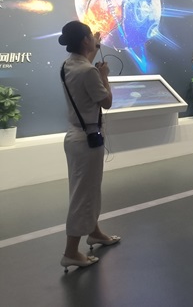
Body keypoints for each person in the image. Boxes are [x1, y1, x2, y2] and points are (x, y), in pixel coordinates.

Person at [58, 20, 120, 272]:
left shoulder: (68, 65)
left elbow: (85, 63)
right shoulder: (89, 72)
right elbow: (107, 102)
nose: (94, 40)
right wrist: (104, 76)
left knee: (88, 191)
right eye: (90, 37)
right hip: (88, 140)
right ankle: (71, 252)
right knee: (83, 195)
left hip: (76, 137)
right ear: (85, 41)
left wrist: (95, 44)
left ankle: (94, 232)